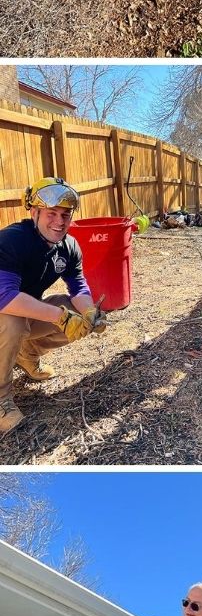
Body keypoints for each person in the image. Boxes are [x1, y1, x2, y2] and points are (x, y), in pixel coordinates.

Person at [0, 178, 107, 435]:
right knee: (12, 321)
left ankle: (27, 355)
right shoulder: (11, 241)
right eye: (51, 214)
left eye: (65, 214)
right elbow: (4, 296)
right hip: (5, 312)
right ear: (34, 212)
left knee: (74, 310)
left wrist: (90, 313)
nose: (59, 222)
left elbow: (78, 288)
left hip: (21, 312)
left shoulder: (68, 246)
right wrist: (60, 317)